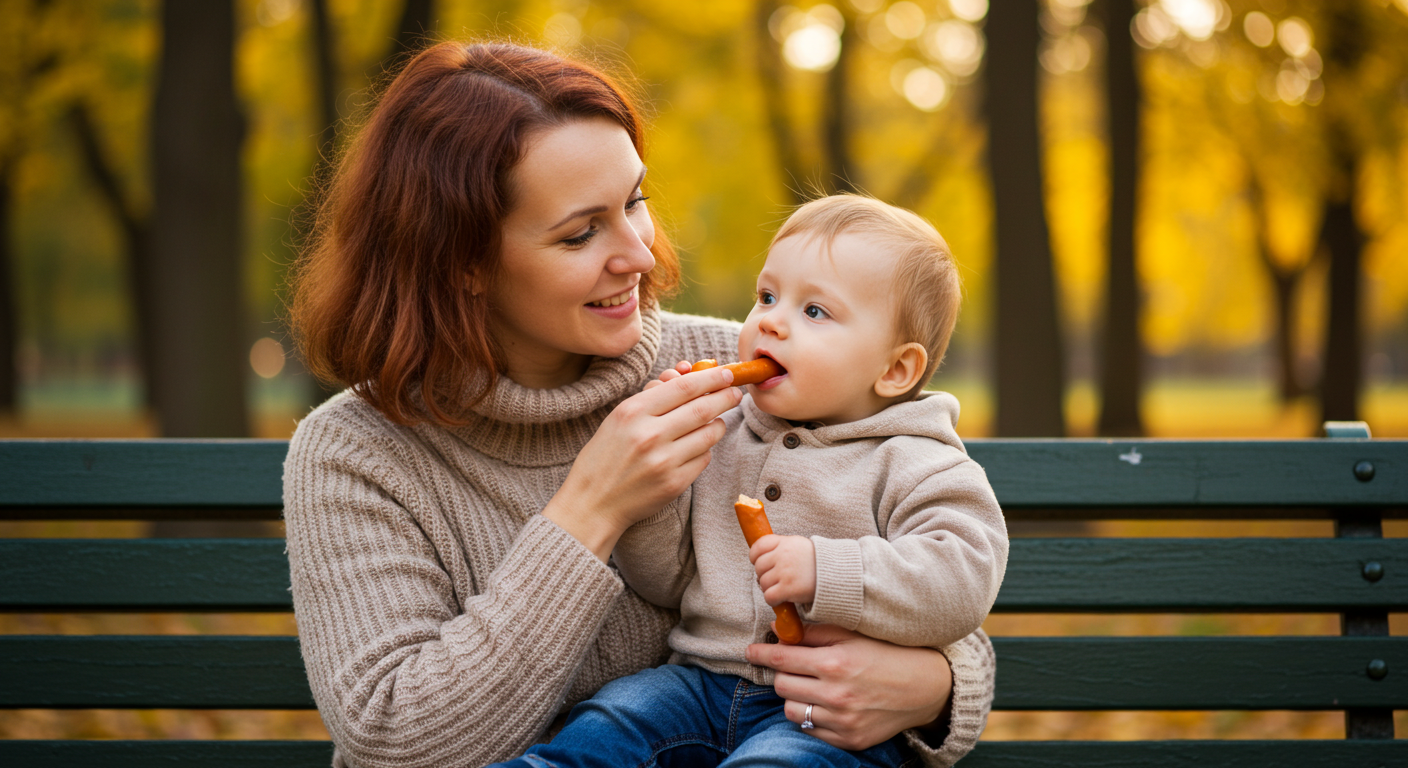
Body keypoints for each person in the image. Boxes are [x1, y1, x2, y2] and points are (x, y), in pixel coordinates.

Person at [284, 41, 996, 768]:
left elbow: (924, 558)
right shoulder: (356, 456)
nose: (642, 255)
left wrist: (936, 687)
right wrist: (590, 511)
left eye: (635, 202)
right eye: (581, 232)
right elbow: (393, 744)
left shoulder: (754, 375)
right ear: (461, 262)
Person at [490, 195, 1007, 767]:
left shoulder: (918, 461)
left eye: (815, 312)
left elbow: (961, 579)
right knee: (614, 719)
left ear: (894, 370)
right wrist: (657, 494)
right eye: (766, 296)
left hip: (821, 712)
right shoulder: (728, 432)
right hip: (699, 683)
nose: (770, 321)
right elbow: (670, 580)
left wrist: (826, 570)